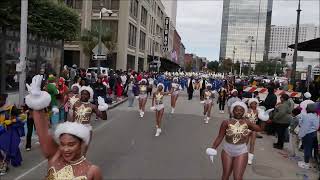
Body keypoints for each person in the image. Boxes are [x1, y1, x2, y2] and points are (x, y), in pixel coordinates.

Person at [25, 75, 103, 179]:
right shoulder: (55, 158)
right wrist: (37, 102)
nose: (65, 149)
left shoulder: (92, 171)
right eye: (62, 144)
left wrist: (103, 108)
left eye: (71, 145)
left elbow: (102, 116)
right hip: (76, 123)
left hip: (85, 128)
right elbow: (43, 133)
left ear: (81, 144)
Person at [206, 101, 267, 180]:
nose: (239, 112)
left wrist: (263, 118)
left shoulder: (247, 122)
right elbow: (220, 137)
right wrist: (213, 148)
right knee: (226, 175)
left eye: (241, 110)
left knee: (237, 177)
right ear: (232, 111)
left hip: (241, 151)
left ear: (244, 112)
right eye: (236, 110)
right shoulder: (226, 122)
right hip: (227, 150)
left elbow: (260, 129)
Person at [0, 94, 26, 175]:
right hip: (1, 130)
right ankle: (4, 162)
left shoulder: (11, 108)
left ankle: (4, 165)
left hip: (9, 131)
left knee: (8, 146)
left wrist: (12, 121)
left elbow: (23, 116)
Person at [298, 103, 319, 169]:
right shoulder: (315, 116)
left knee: (307, 148)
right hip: (314, 133)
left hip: (308, 134)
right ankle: (308, 162)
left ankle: (306, 163)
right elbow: (317, 126)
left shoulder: (307, 116)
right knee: (310, 148)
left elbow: (304, 127)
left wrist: (300, 135)